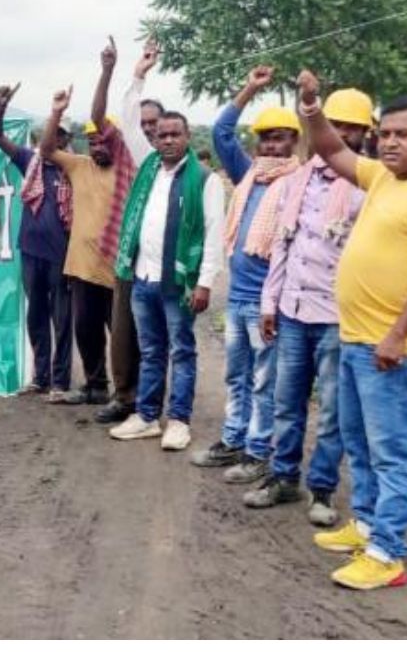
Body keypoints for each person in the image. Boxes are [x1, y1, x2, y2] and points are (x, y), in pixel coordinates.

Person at [298, 70, 407, 590]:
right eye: (386, 133)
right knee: (360, 442)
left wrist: (397, 335)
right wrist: (309, 107)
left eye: (404, 134)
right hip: (355, 338)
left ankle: (387, 552)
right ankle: (367, 524)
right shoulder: (383, 176)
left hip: (392, 349)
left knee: (393, 452)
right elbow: (331, 150)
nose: (390, 142)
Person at [242, 88, 372, 524]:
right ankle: (282, 479)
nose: (346, 133)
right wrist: (269, 303)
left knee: (333, 411)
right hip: (294, 312)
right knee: (286, 401)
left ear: (364, 133)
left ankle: (322, 490)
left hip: (338, 315)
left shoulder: (367, 183)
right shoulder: (295, 183)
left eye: (355, 127)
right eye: (338, 125)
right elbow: (282, 244)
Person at [191, 65, 302, 485]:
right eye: (267, 137)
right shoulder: (249, 174)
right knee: (236, 375)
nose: (272, 144)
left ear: (294, 141)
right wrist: (250, 88)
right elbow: (221, 132)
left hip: (268, 304)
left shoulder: (297, 182)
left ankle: (259, 451)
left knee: (263, 382)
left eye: (280, 137)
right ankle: (234, 439)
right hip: (237, 299)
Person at [109, 109, 226, 451]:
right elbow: (128, 122)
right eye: (163, 135)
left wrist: (204, 282)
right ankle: (146, 417)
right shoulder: (148, 172)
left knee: (183, 351)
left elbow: (213, 234)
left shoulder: (205, 179)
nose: (169, 140)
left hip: (178, 283)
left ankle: (178, 421)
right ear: (155, 140)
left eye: (176, 134)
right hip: (143, 277)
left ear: (188, 138)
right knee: (150, 352)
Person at [36, 38, 143, 408]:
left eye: (103, 139)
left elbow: (100, 115)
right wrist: (55, 113)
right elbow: (47, 150)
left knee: (124, 337)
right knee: (85, 330)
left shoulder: (127, 169)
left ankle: (127, 394)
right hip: (81, 267)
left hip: (116, 268)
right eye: (91, 139)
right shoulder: (78, 166)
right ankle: (95, 386)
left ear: (114, 143)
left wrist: (108, 71)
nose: (97, 144)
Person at [0, 81, 73, 400]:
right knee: (36, 314)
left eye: (61, 134)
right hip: (31, 252)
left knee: (62, 319)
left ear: (66, 139)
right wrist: (0, 105)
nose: (55, 139)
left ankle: (61, 382)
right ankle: (41, 376)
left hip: (62, 257)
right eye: (52, 134)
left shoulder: (75, 169)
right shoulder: (30, 162)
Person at [99, 38, 165, 424]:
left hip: (166, 262)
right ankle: (125, 397)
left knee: (160, 336)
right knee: (124, 330)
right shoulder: (146, 158)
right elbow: (125, 116)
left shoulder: (189, 170)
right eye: (147, 127)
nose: (155, 133)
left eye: (159, 126)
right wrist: (137, 75)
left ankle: (156, 403)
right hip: (132, 256)